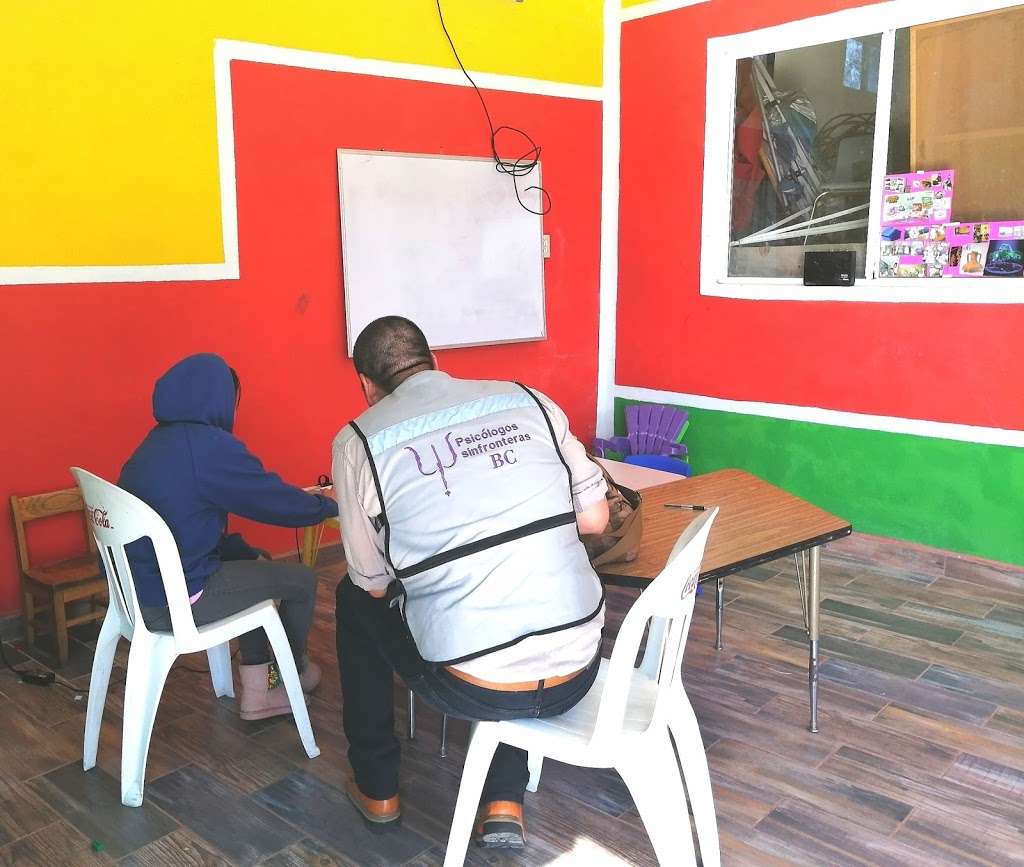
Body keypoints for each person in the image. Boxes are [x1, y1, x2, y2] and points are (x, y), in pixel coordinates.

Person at [333, 317, 609, 849]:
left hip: (471, 685)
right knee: (515, 581)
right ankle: (504, 799)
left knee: (352, 600)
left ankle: (377, 786)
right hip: (581, 667)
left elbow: (371, 583)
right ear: (433, 358)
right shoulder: (529, 401)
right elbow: (595, 520)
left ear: (366, 383)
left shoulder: (358, 442)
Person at [119, 353, 338, 720]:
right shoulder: (207, 446)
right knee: (302, 580)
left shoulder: (156, 442)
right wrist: (329, 505)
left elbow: (195, 517)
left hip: (138, 594)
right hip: (177, 600)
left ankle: (258, 693)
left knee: (250, 560)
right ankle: (289, 674)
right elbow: (271, 500)